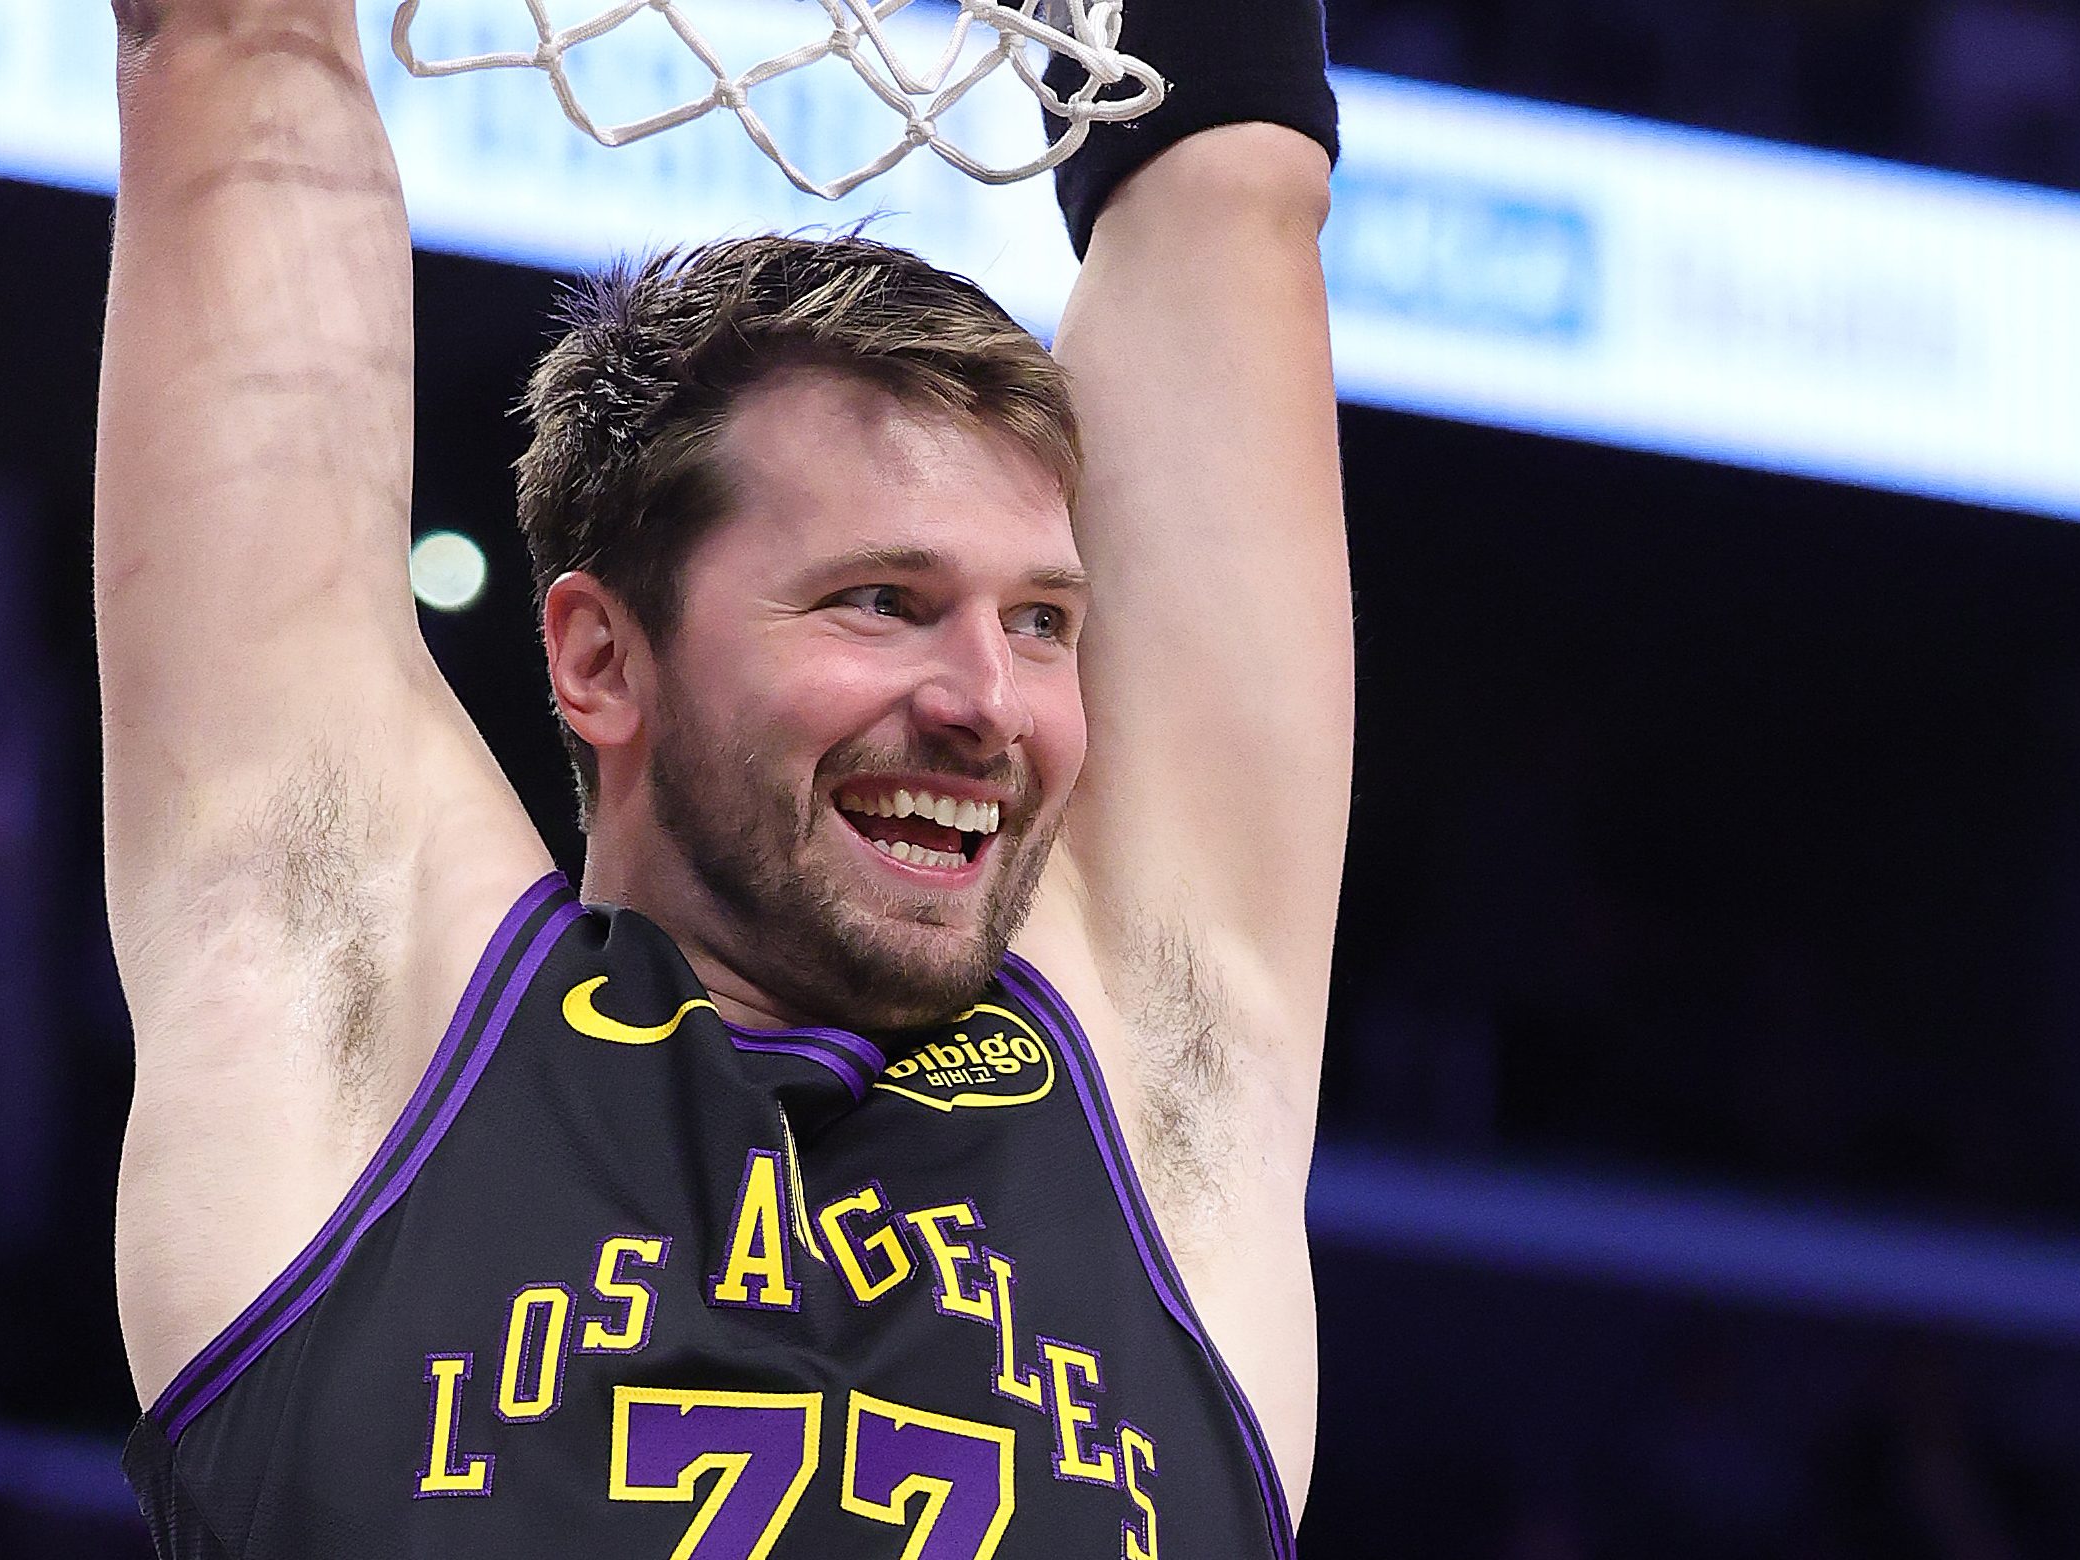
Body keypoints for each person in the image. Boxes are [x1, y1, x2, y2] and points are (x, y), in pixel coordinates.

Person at [97, 0, 1349, 1554]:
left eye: (1040, 621)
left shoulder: (1159, 1087)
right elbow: (234, 47)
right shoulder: (364, 1034)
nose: (986, 702)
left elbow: (1225, 194)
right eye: (880, 601)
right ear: (600, 659)